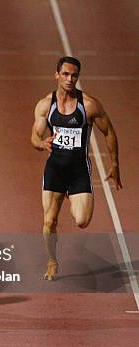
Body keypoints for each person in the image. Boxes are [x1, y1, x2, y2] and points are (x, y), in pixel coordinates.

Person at [31, 56, 122, 280]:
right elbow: (34, 136)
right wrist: (42, 144)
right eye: (65, 74)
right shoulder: (45, 104)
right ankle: (52, 261)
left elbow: (109, 131)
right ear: (57, 75)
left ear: (78, 77)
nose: (70, 79)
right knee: (49, 221)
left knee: (81, 220)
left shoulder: (88, 105)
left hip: (79, 170)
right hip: (54, 169)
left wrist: (115, 163)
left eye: (74, 75)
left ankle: (73, 196)